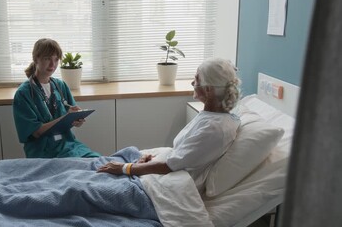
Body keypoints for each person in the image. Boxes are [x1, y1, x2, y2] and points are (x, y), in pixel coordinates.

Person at [98, 57, 241, 192]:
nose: (192, 83)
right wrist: (154, 159)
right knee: (102, 166)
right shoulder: (211, 117)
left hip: (173, 187)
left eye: (196, 79)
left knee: (93, 183)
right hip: (168, 174)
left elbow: (170, 165)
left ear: (209, 90)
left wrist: (126, 168)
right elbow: (184, 155)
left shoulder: (214, 129)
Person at [13, 38, 101, 158]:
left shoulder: (60, 86)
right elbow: (36, 132)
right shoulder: (24, 93)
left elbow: (71, 117)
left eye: (56, 59)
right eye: (47, 58)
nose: (52, 64)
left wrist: (77, 120)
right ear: (35, 59)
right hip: (42, 150)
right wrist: (65, 118)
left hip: (67, 144)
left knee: (97, 160)